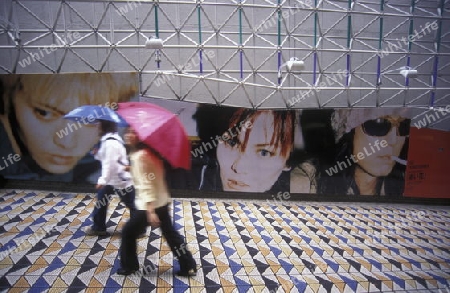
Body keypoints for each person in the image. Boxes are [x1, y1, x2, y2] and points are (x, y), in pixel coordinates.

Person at [0, 73, 137, 183]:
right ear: (6, 101)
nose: (67, 142)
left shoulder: (93, 163)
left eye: (90, 119)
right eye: (44, 113)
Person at [117, 127, 197, 276]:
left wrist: (150, 211)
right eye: (127, 132)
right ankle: (188, 264)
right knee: (171, 234)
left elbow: (147, 184)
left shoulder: (140, 156)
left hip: (148, 206)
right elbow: (151, 174)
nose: (128, 135)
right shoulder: (150, 153)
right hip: (161, 201)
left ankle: (129, 266)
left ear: (140, 137)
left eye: (133, 132)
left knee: (128, 232)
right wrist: (132, 169)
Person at [192, 105, 308, 193]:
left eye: (264, 153)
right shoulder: (193, 181)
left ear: (288, 161)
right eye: (232, 143)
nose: (238, 167)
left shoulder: (301, 191)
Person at [318, 108, 411, 196]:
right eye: (378, 124)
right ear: (349, 132)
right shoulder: (311, 183)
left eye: (404, 125)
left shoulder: (408, 185)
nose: (393, 141)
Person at [85, 120, 139, 237]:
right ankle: (98, 227)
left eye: (98, 123)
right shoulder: (108, 141)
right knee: (101, 202)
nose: (96, 125)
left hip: (119, 179)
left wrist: (103, 181)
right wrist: (97, 154)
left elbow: (110, 164)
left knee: (132, 204)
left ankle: (138, 229)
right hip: (113, 179)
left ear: (105, 125)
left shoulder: (110, 143)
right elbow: (106, 159)